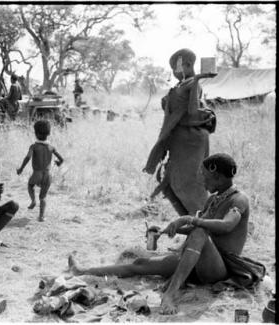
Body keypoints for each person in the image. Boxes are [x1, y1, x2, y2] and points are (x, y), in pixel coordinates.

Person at [68, 153, 265, 315]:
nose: (202, 180)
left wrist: (190, 220)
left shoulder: (239, 199)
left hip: (218, 268)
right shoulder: (213, 199)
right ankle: (83, 271)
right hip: (197, 258)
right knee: (140, 264)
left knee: (199, 232)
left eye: (205, 176)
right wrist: (167, 229)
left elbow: (226, 226)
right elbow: (197, 228)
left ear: (218, 177)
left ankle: (170, 294)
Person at [144, 48, 216, 216]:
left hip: (191, 141)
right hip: (180, 141)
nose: (174, 72)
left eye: (175, 67)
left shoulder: (193, 84)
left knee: (189, 183)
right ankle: (193, 222)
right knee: (171, 184)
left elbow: (192, 111)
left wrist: (197, 80)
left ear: (188, 64)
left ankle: (207, 222)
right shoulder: (182, 84)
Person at [16, 120, 64, 221]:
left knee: (30, 186)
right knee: (43, 197)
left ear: (36, 133)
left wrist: (21, 168)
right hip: (47, 175)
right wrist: (58, 163)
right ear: (49, 133)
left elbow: (27, 157)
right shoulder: (51, 147)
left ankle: (33, 201)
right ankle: (41, 216)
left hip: (36, 174)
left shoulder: (34, 146)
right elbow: (61, 159)